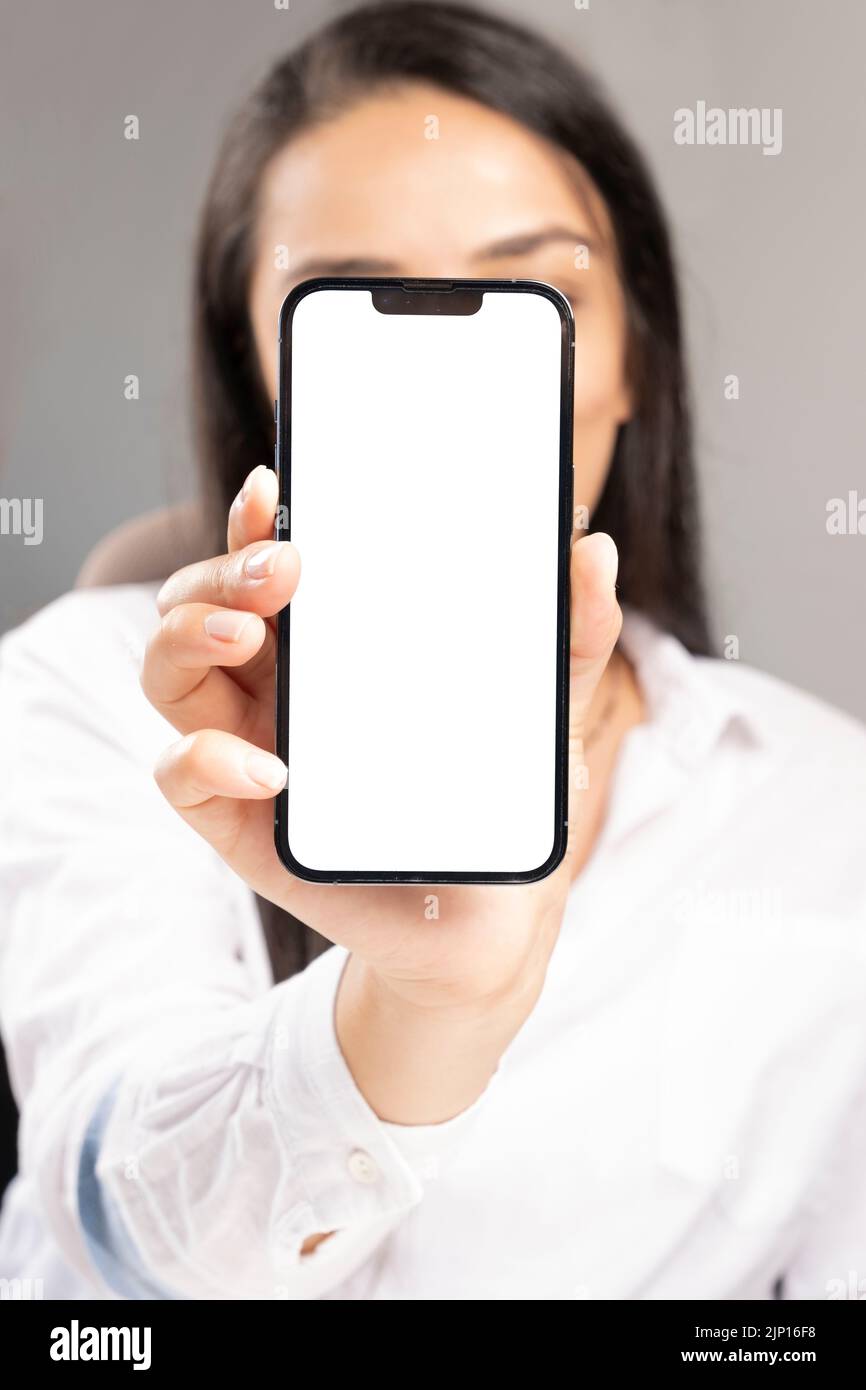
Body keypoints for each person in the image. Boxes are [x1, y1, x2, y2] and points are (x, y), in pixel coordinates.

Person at [1, 1, 864, 1301]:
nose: (454, 392)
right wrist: (420, 1011)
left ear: (632, 358)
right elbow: (112, 1245)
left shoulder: (822, 810)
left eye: (541, 289)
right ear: (262, 371)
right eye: (345, 303)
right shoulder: (88, 693)